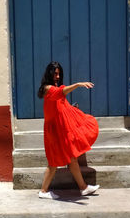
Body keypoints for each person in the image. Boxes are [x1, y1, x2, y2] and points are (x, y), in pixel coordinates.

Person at [37, 61, 100, 199]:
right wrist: (77, 85)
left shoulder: (54, 87)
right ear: (49, 73)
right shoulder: (48, 88)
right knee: (54, 163)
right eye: (55, 73)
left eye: (59, 74)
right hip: (54, 132)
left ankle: (83, 188)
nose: (58, 76)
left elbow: (62, 104)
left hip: (62, 130)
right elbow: (61, 92)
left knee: (72, 159)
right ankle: (43, 191)